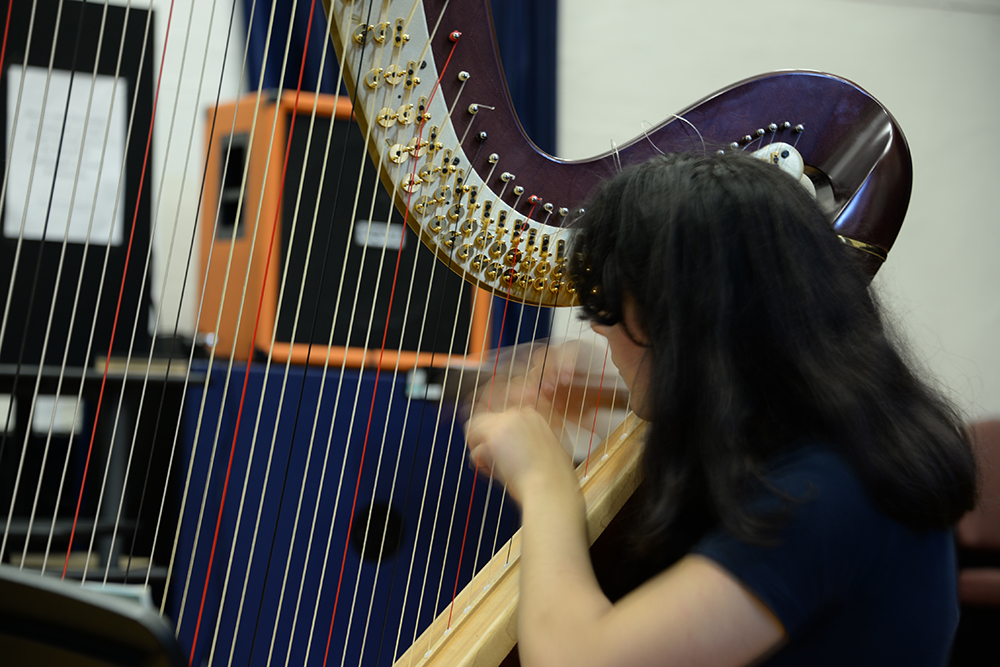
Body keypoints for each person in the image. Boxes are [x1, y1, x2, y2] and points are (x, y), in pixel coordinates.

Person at [464, 151, 978, 667]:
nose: (599, 327)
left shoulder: (826, 493)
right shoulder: (847, 445)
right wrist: (623, 396)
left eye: (614, 301)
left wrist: (543, 481)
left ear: (688, 318)